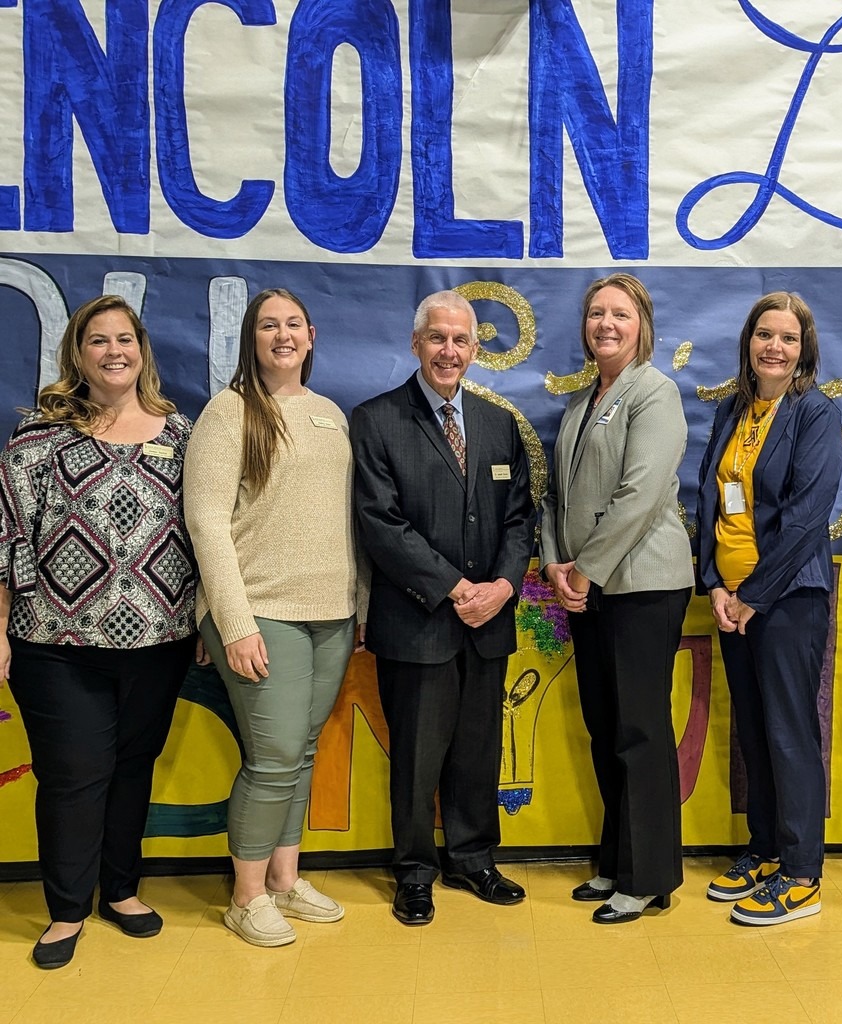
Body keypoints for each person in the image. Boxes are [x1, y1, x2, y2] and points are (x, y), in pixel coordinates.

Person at [0, 295, 198, 969]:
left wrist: (205, 618)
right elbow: (8, 537)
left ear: (141, 349)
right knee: (73, 774)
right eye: (98, 341)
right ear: (77, 354)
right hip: (55, 643)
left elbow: (203, 533)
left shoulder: (181, 435)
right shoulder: (38, 437)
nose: (115, 351)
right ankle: (64, 909)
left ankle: (120, 889)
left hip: (161, 639)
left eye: (125, 339)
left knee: (131, 769)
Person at [350, 290, 534, 927]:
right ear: (416, 344)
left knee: (478, 752)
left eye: (460, 341)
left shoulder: (497, 423)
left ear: (475, 349)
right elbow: (382, 525)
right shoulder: (376, 421)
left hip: (490, 623)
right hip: (420, 620)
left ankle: (473, 858)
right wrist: (458, 589)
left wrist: (504, 588)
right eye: (437, 339)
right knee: (418, 757)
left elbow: (519, 521)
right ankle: (415, 871)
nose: (448, 352)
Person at [184, 288, 358, 947]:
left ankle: (285, 878)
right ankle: (247, 896)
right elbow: (205, 521)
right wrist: (234, 622)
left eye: (292, 325)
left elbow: (345, 520)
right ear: (251, 339)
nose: (282, 335)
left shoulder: (330, 415)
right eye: (267, 326)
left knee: (301, 748)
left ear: (311, 336)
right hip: (260, 611)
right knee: (276, 751)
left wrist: (358, 605)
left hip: (332, 613)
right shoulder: (229, 413)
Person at [539, 273, 693, 924]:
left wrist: (587, 570)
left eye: (620, 314)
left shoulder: (654, 393)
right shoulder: (580, 405)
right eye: (596, 313)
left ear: (642, 326)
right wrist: (554, 565)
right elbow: (553, 497)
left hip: (643, 585)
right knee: (606, 726)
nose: (606, 323)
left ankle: (649, 876)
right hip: (591, 587)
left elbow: (643, 492)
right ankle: (616, 860)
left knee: (640, 728)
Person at [694, 292, 842, 926]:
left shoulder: (815, 413)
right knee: (753, 730)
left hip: (786, 601)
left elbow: (808, 519)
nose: (774, 347)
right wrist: (716, 587)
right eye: (764, 335)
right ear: (748, 343)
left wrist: (752, 597)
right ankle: (763, 850)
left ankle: (802, 871)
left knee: (789, 734)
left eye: (787, 337)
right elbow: (708, 502)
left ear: (804, 348)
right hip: (734, 603)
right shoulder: (734, 408)